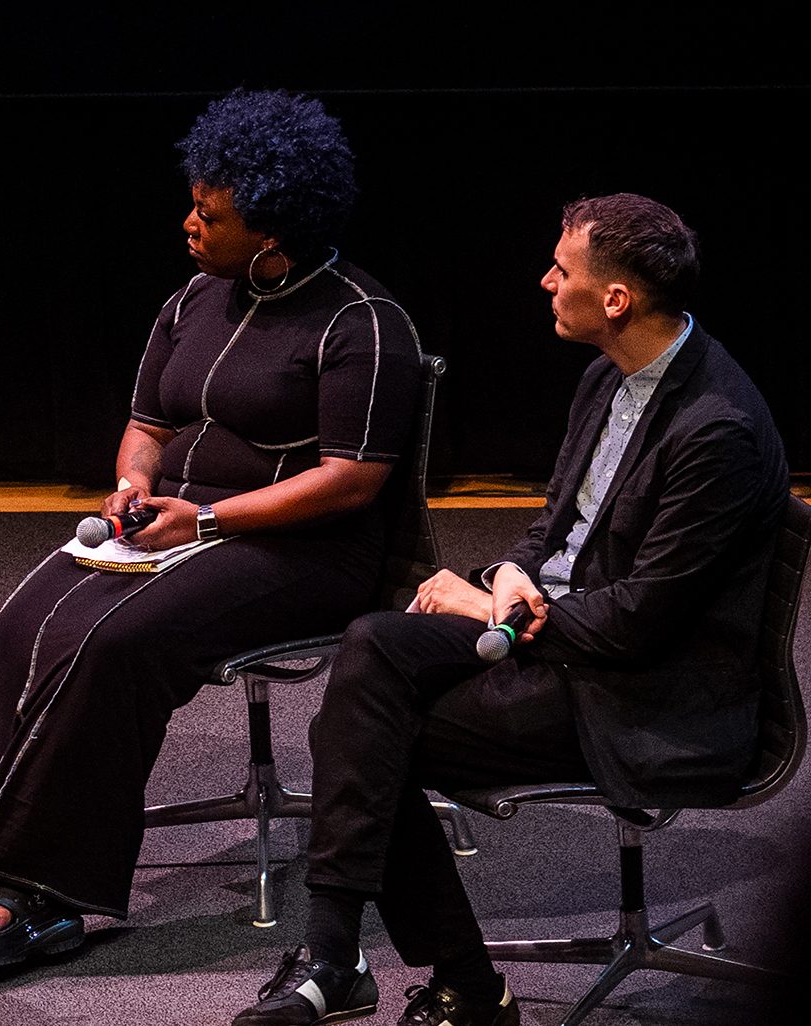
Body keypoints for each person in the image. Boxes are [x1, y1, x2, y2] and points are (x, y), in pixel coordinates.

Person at [0, 90, 425, 981]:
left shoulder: (360, 321)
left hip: (305, 549)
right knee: (22, 623)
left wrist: (204, 517)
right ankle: (38, 897)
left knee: (116, 641)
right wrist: (134, 481)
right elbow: (149, 425)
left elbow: (353, 480)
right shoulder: (193, 300)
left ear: (274, 234)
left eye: (211, 215)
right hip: (176, 529)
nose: (189, 224)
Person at [232, 194, 791, 1026]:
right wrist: (505, 578)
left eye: (561, 271)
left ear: (615, 300)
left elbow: (640, 622)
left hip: (647, 694)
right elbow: (553, 527)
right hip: (559, 634)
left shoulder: (717, 430)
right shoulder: (611, 376)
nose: (543, 281)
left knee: (375, 740)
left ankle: (420, 974)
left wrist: (499, 609)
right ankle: (343, 956)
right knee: (374, 650)